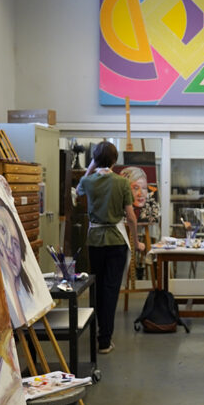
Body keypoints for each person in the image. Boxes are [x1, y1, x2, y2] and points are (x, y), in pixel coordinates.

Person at [77, 141, 143, 353]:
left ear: (95, 160)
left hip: (95, 240)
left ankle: (96, 329)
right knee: (111, 288)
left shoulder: (89, 181)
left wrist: (91, 166)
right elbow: (131, 217)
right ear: (115, 160)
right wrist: (136, 240)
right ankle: (104, 339)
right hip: (116, 240)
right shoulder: (122, 183)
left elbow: (78, 189)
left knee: (96, 288)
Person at [0, 190, 32, 328]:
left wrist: (12, 283)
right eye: (0, 231)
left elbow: (21, 319)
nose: (9, 248)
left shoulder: (28, 293)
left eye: (15, 244)